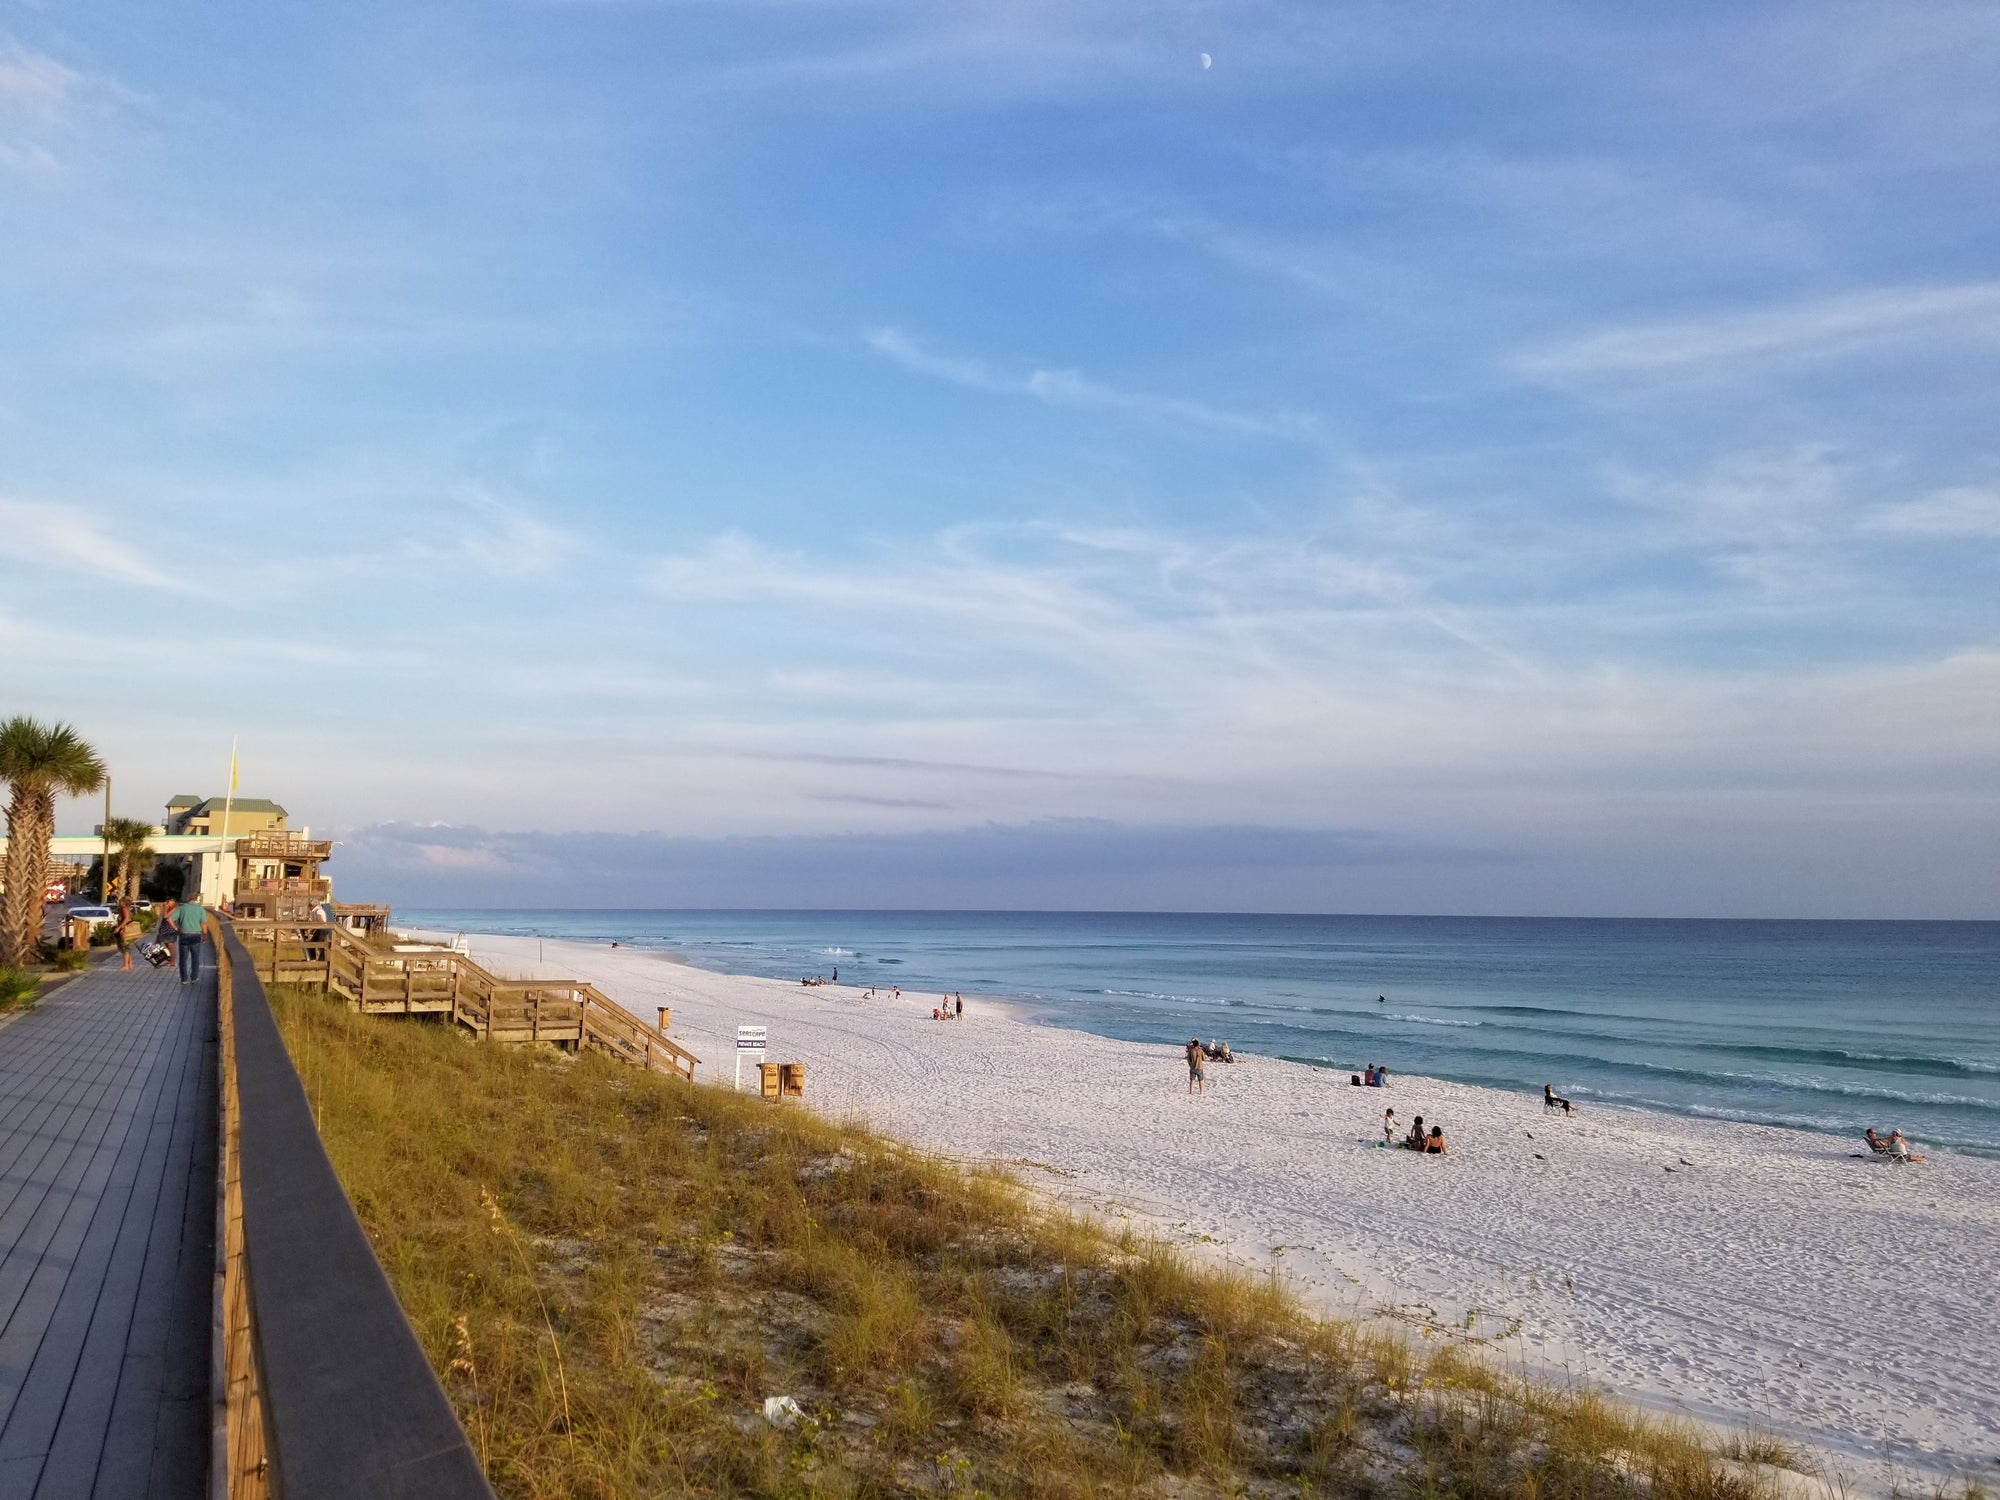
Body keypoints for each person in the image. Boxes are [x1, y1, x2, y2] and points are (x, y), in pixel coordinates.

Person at [164, 896, 211, 985]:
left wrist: (176, 928)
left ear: (188, 899)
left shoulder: (182, 908)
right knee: (195, 958)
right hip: (196, 935)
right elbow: (203, 922)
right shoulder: (200, 909)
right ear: (196, 898)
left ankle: (184, 979)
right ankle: (194, 977)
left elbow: (169, 919)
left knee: (183, 959)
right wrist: (205, 934)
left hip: (184, 935)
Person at [115, 895, 134, 972]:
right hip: (127, 930)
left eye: (121, 901)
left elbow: (126, 919)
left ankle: (126, 965)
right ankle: (129, 964)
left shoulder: (124, 909)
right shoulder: (128, 909)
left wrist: (119, 928)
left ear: (124, 902)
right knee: (127, 947)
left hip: (124, 930)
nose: (119, 902)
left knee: (124, 947)